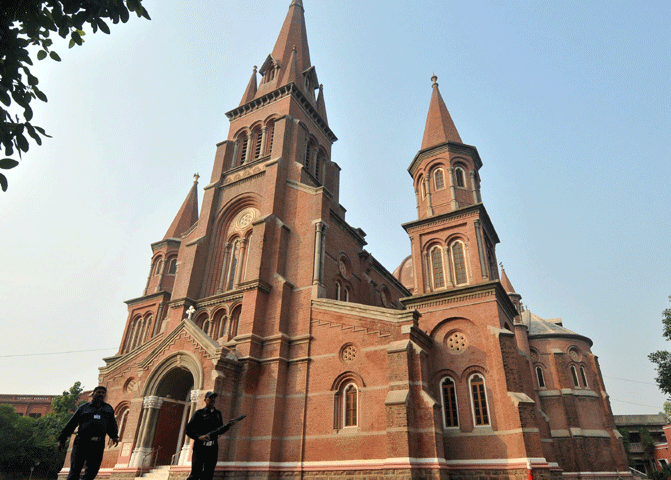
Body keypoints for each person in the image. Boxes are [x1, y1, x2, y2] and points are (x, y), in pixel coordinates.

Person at [57, 386, 119, 480]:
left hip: (98, 444)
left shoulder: (108, 409)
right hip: (82, 442)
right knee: (75, 470)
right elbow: (71, 424)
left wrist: (114, 436)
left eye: (103, 393)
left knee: (92, 471)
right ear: (93, 394)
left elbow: (112, 424)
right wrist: (62, 440)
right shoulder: (83, 408)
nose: (101, 394)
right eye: (98, 392)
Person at [185, 392, 241, 480]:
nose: (212, 400)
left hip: (212, 448)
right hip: (200, 447)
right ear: (205, 400)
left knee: (209, 473)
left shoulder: (218, 414)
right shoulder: (198, 413)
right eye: (210, 398)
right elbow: (188, 430)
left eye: (214, 398)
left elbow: (219, 430)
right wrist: (199, 437)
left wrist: (229, 425)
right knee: (195, 474)